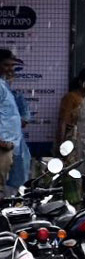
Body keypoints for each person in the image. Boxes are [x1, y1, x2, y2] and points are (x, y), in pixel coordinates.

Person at [0, 51, 30, 193]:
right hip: (3, 146)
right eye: (6, 65)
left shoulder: (4, 85)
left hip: (12, 146)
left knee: (12, 191)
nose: (10, 69)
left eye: (12, 65)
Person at [57, 69, 85, 148]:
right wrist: (61, 143)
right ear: (81, 83)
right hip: (73, 140)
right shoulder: (71, 97)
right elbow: (63, 121)